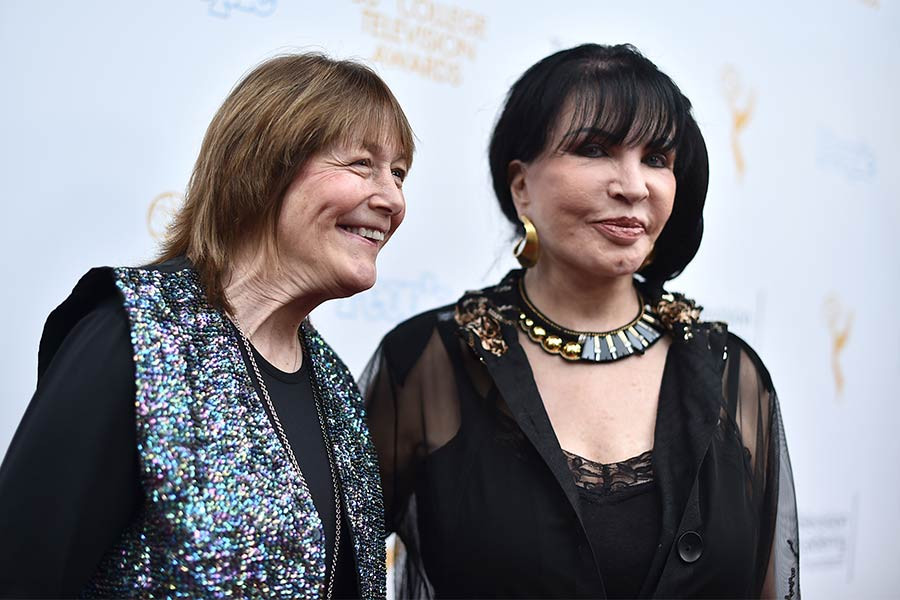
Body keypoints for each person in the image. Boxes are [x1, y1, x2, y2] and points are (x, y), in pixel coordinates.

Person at [363, 43, 799, 599]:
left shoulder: (731, 375)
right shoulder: (431, 363)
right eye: (595, 149)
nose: (634, 184)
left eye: (657, 159)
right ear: (520, 185)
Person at [0, 52, 413, 599]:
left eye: (399, 173)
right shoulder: (136, 335)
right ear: (264, 167)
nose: (392, 198)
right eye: (361, 164)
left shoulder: (337, 386)